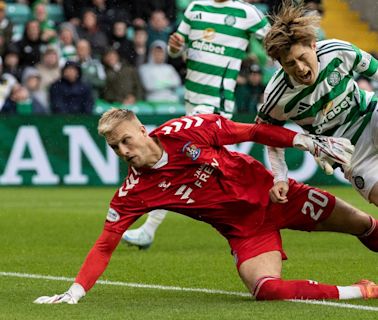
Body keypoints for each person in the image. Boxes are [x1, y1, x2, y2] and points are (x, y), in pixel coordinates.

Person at [34, 108, 378, 304]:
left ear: (142, 130)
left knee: (366, 225)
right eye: (114, 147)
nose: (123, 151)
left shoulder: (189, 130)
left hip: (281, 198)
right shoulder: (134, 192)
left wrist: (303, 142)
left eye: (126, 140)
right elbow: (106, 243)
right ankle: (363, 290)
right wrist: (75, 292)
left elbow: (254, 132)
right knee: (266, 290)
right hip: (246, 231)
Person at [123, 0, 271, 248]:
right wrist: (174, 47)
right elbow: (175, 50)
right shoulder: (194, 8)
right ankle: (264, 210)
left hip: (215, 106)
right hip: (191, 101)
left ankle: (149, 228)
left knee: (174, 158)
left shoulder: (247, 13)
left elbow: (276, 42)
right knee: (208, 169)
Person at [256, 1, 378, 206]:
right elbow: (269, 136)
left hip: (370, 115)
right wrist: (280, 177)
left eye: (302, 58)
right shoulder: (277, 97)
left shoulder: (338, 51)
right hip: (348, 153)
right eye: (290, 64)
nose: (301, 69)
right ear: (280, 64)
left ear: (313, 44)